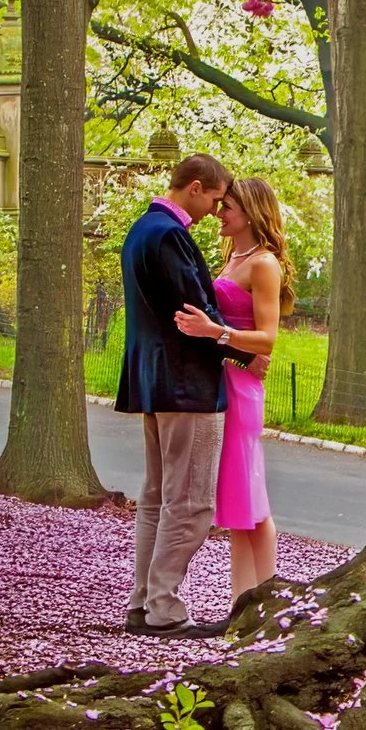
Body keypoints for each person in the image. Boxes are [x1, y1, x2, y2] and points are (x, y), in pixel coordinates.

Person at [117, 154, 246, 636]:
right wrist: (237, 345)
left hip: (153, 382)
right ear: (195, 187)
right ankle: (164, 609)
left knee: (157, 499)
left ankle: (143, 604)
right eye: (215, 198)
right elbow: (195, 311)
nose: (216, 210)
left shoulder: (140, 230)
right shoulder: (170, 235)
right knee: (190, 503)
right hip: (186, 385)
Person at [175, 175, 291, 606]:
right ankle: (243, 603)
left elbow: (267, 340)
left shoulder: (263, 264)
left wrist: (214, 333)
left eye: (227, 207)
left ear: (251, 212)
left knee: (250, 495)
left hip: (242, 388)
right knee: (239, 507)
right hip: (223, 379)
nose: (219, 213)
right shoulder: (233, 257)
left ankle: (267, 597)